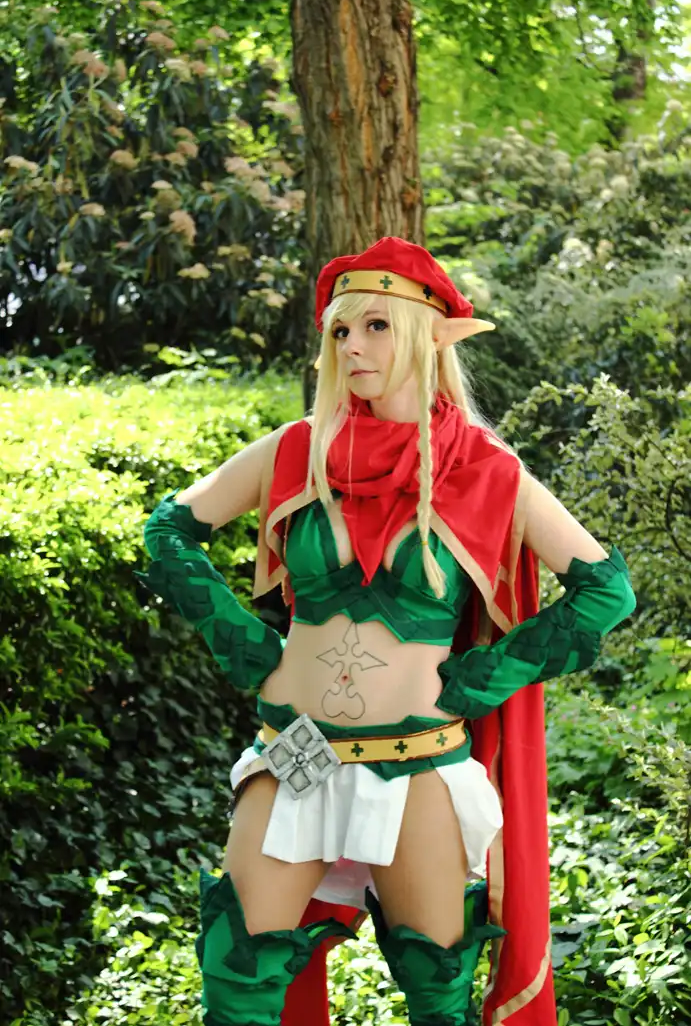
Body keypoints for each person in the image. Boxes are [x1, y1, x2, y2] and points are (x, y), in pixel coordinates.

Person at [134, 236, 636, 1026]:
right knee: (237, 983)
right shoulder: (296, 448)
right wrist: (246, 645)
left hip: (416, 761)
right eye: (340, 330)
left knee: (436, 996)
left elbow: (605, 589)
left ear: (427, 337)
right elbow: (167, 533)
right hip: (298, 750)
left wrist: (484, 676)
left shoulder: (486, 469)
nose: (352, 346)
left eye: (374, 326)